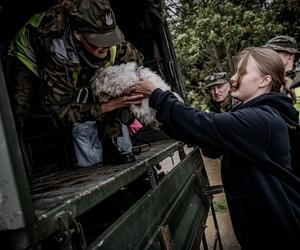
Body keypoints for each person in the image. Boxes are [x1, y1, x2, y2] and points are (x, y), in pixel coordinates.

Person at [132, 47, 300, 249]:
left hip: (278, 236)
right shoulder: (261, 115)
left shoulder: (262, 119)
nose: (234, 77)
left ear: (264, 81)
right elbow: (206, 137)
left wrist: (158, 96)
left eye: (242, 72)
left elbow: (205, 125)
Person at [6, 0, 144, 168]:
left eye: (109, 38)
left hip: (74, 54)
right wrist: (107, 106)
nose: (107, 46)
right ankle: (15, 169)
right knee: (15, 114)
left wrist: (130, 102)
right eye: (100, 41)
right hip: (28, 57)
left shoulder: (111, 37)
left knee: (113, 85)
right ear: (79, 34)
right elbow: (63, 109)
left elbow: (139, 68)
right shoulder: (55, 48)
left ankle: (114, 143)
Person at [263, 35, 300, 102]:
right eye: (268, 53)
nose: (269, 56)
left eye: (275, 52)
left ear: (290, 55)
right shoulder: (266, 79)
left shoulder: (297, 80)